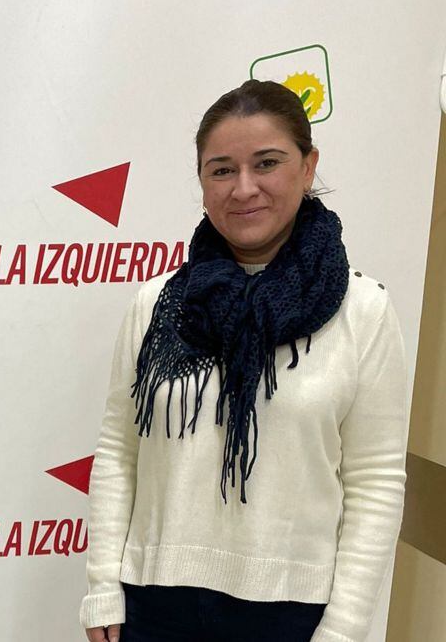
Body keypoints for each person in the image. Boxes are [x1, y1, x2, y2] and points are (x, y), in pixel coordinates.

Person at [80, 80, 408, 642]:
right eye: (222, 169)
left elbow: (375, 482)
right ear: (203, 182)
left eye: (267, 163)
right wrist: (103, 587)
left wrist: (345, 629)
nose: (244, 188)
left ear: (308, 168)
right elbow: (119, 449)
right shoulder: (158, 305)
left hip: (294, 616)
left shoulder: (364, 311)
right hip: (154, 607)